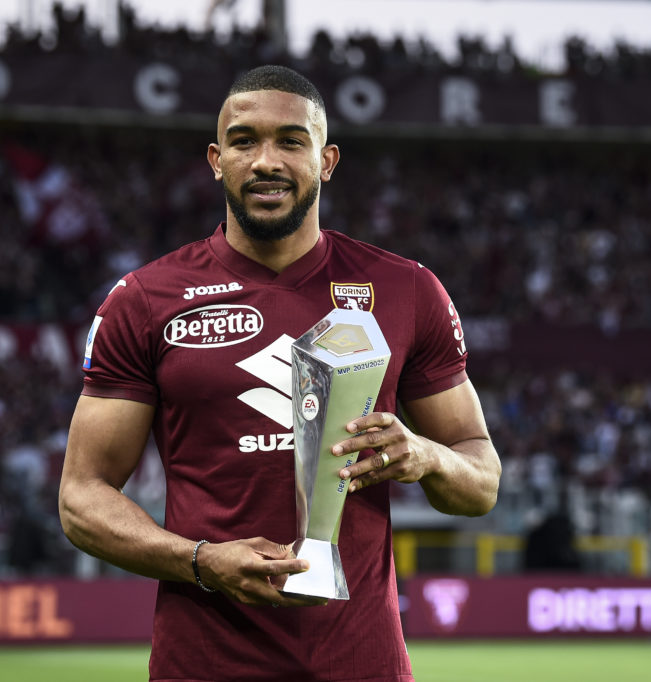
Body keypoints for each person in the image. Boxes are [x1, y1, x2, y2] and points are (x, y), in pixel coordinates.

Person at [59, 64, 501, 682]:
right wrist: (199, 559)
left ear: (327, 161)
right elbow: (81, 499)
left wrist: (426, 455)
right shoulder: (145, 300)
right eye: (244, 141)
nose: (266, 161)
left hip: (361, 661)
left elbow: (480, 482)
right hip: (205, 661)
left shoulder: (407, 291)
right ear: (216, 160)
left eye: (291, 141)